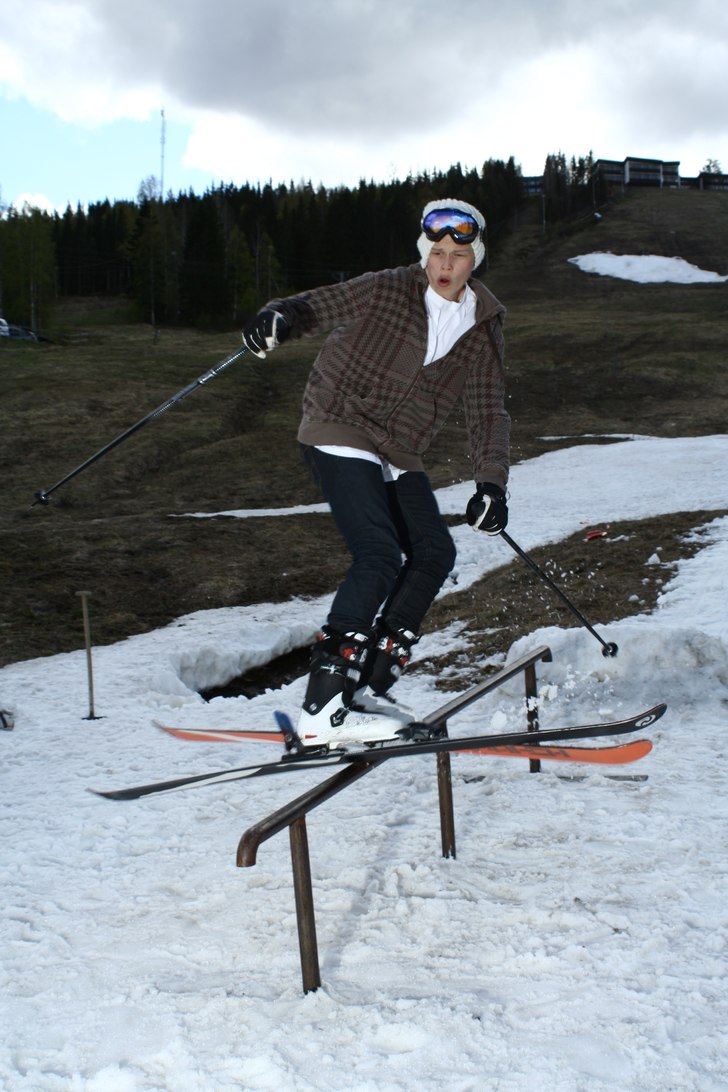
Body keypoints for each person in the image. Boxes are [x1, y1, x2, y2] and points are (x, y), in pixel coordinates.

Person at [242, 199, 510, 750]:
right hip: (339, 420)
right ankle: (323, 708)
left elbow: (488, 410)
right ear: (424, 252)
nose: (445, 264)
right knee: (380, 553)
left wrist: (491, 483)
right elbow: (322, 303)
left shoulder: (483, 325)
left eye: (458, 255)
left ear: (475, 259)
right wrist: (281, 316)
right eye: (437, 251)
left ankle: (365, 688)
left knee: (434, 552)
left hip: (399, 447)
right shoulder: (389, 287)